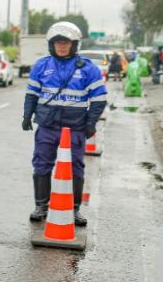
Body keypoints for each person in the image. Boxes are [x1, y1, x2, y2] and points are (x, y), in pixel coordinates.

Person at [22, 21, 108, 226]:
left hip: (74, 128)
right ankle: (41, 206)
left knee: (76, 168)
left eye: (66, 42)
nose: (62, 46)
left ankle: (74, 209)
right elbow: (31, 94)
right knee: (41, 164)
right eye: (58, 42)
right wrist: (27, 115)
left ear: (74, 44)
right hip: (47, 126)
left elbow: (99, 98)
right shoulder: (41, 66)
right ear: (51, 44)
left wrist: (90, 123)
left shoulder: (88, 68)